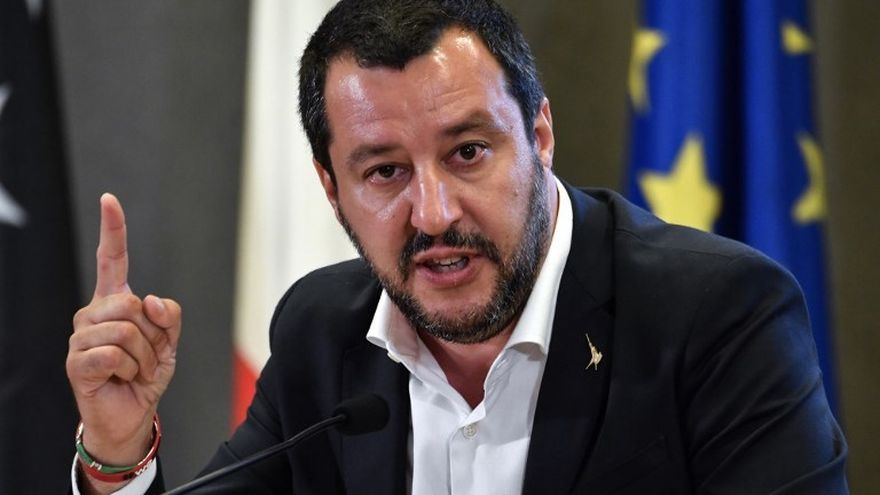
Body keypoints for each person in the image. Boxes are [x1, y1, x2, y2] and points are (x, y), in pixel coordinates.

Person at [66, 0, 848, 493]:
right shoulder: (325, 330)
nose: (435, 213)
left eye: (468, 152)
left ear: (539, 135)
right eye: (384, 171)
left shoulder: (716, 314)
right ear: (332, 188)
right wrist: (117, 450)